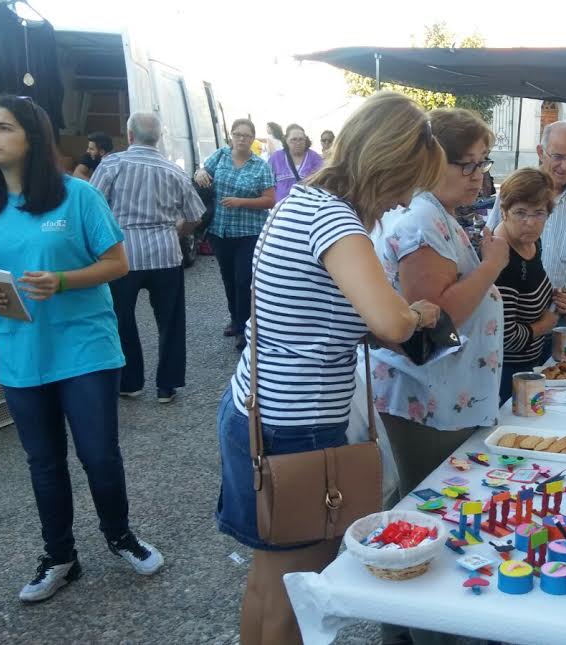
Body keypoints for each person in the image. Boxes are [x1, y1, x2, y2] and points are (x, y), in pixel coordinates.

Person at [216, 91, 444, 645]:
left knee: (270, 585)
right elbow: (390, 324)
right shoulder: (334, 219)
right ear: (384, 162)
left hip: (261, 410)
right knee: (296, 591)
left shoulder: (301, 203)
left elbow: (323, 314)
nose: (401, 199)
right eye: (406, 181)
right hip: (294, 427)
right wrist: (417, 313)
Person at [0, 96, 164, 604]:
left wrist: (63, 280)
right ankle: (60, 557)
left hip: (84, 347)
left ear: (31, 137)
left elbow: (116, 263)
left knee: (97, 454)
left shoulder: (78, 196)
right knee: (43, 462)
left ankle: (120, 537)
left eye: (4, 127)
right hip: (20, 351)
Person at [371, 107, 507, 497]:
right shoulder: (422, 221)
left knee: (427, 498)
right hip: (426, 396)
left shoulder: (438, 214)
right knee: (432, 500)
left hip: (441, 394)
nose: (478, 174)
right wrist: (493, 265)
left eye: (482, 163)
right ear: (431, 163)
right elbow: (435, 320)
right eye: (466, 165)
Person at [90, 112, 206, 404]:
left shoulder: (112, 165)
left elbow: (91, 207)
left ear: (129, 135)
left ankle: (130, 381)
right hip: (166, 253)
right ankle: (166, 385)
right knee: (170, 320)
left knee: (121, 318)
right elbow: (196, 214)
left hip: (122, 253)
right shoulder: (174, 170)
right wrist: (177, 231)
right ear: (159, 137)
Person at [486, 122, 566, 332]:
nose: (565, 166)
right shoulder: (515, 189)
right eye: (558, 156)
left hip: (557, 316)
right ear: (541, 152)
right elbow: (492, 239)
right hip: (510, 315)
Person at [194, 118, 276, 350]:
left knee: (244, 280)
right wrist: (200, 172)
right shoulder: (220, 155)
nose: (241, 139)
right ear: (231, 136)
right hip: (220, 231)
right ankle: (235, 318)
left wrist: (242, 202)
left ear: (252, 139)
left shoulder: (260, 166)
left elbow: (270, 200)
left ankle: (245, 327)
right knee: (228, 278)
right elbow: (202, 173)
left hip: (248, 233)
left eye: (247, 135)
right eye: (237, 134)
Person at [494, 168, 566, 403]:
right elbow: (506, 338)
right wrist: (544, 325)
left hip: (532, 361)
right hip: (506, 374)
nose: (530, 223)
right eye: (520, 213)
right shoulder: (501, 260)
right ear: (503, 212)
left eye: (539, 213)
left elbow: (532, 291)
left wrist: (555, 298)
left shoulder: (531, 243)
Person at [268, 123, 324, 201]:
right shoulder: (276, 158)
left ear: (306, 140)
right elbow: (268, 185)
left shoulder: (315, 159)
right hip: (281, 209)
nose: (298, 142)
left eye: (301, 139)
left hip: (307, 207)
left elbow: (322, 185)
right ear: (286, 140)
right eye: (293, 139)